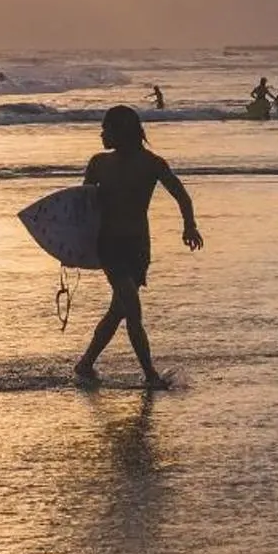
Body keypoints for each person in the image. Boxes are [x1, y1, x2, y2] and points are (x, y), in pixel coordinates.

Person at [76, 106, 202, 390]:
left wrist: (189, 226)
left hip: (138, 248)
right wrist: (72, 248)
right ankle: (150, 375)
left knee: (119, 309)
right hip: (109, 245)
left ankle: (86, 363)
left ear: (123, 132)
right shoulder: (98, 164)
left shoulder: (152, 164)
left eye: (107, 128)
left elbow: (181, 195)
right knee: (132, 308)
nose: (102, 133)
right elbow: (82, 207)